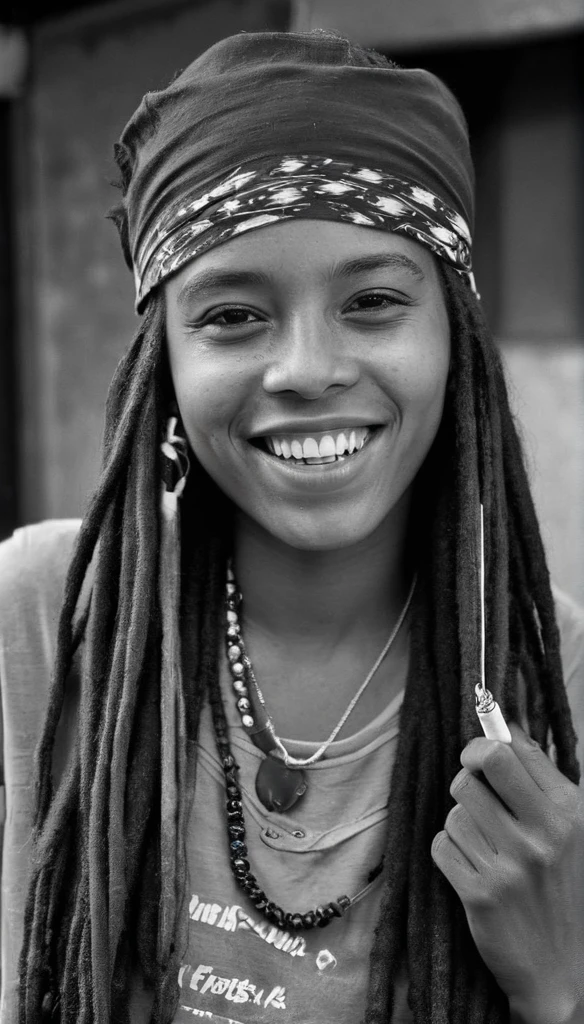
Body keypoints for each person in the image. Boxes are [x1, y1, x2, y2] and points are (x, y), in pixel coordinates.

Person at [1, 28, 583, 1024]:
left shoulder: (554, 677)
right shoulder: (44, 617)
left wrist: (561, 986)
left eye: (370, 300)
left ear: (454, 340)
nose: (307, 367)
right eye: (233, 315)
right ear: (164, 368)